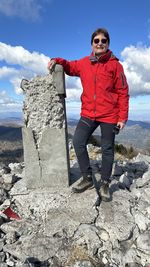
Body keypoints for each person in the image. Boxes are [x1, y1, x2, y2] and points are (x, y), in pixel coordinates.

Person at [48, 28, 129, 201]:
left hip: (109, 115)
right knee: (78, 141)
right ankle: (87, 178)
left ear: (108, 44)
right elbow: (69, 66)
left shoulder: (116, 65)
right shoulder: (84, 63)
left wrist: (122, 117)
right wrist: (57, 60)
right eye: (96, 40)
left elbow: (123, 91)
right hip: (88, 113)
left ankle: (106, 183)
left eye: (103, 40)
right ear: (92, 44)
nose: (100, 43)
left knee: (107, 149)